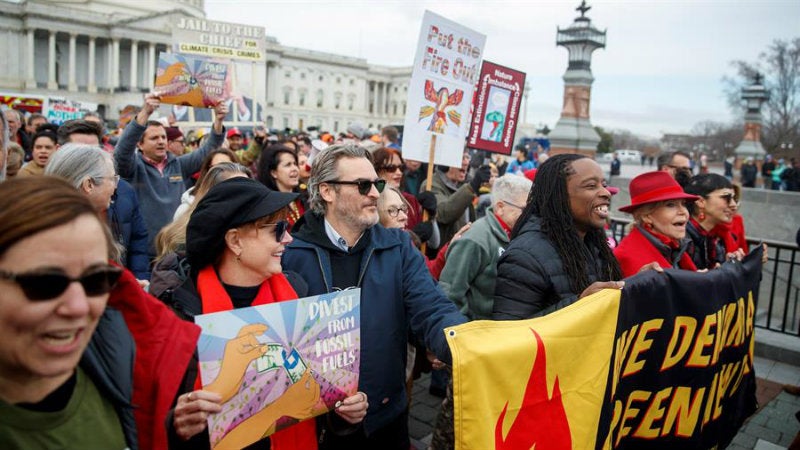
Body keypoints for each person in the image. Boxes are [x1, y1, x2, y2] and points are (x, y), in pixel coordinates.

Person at [281, 144, 467, 449]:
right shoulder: (291, 255)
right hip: (316, 423)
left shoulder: (398, 247)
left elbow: (431, 307)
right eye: (363, 185)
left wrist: (462, 345)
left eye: (377, 184)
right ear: (327, 191)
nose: (376, 193)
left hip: (385, 415)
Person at [165, 177, 367, 449]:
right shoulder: (179, 318)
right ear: (235, 240)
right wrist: (177, 426)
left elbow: (317, 403)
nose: (288, 237)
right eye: (278, 228)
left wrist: (344, 416)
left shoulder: (298, 295)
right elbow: (149, 423)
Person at [0, 177, 200, 450]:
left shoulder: (116, 364)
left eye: (96, 281)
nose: (79, 306)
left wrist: (167, 430)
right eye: (45, 283)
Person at [493, 154, 624, 319]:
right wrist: (579, 305)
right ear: (559, 196)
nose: (606, 193)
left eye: (603, 185)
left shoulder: (594, 243)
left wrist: (639, 284)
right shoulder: (524, 257)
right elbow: (509, 332)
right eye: (591, 186)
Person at [114, 92, 226, 257]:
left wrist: (219, 120)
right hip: (145, 253)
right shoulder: (132, 168)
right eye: (154, 138)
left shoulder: (178, 165)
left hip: (176, 251)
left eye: (163, 137)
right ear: (140, 144)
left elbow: (208, 150)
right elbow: (122, 151)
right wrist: (145, 112)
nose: (160, 141)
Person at [45, 143, 150, 282]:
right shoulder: (74, 235)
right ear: (89, 185)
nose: (116, 187)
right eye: (112, 179)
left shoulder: (47, 222)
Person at [151, 162, 251, 300]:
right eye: (237, 190)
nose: (248, 196)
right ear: (213, 194)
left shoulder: (254, 232)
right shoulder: (181, 238)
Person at [613, 171, 701, 277]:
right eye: (670, 205)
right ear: (646, 216)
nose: (683, 212)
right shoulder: (626, 256)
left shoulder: (672, 245)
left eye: (683, 204)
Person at [427, 151, 492, 253]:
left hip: (462, 249)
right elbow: (444, 213)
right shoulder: (431, 184)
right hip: (442, 253)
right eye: (461, 158)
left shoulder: (463, 184)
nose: (466, 163)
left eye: (467, 157)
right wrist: (472, 187)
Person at [372, 147, 439, 245]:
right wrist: (412, 238)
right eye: (391, 168)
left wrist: (432, 217)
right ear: (376, 170)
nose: (399, 173)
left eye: (401, 168)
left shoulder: (410, 201)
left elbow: (434, 244)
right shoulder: (369, 203)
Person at [683, 173, 746, 270]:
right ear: (701, 202)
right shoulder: (681, 239)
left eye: (735, 199)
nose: (734, 205)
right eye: (727, 198)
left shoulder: (717, 239)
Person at [175, 147, 240, 219]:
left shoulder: (246, 201)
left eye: (227, 167)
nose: (220, 173)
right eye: (215, 168)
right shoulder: (187, 207)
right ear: (207, 171)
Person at [256, 144, 306, 225]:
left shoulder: (305, 197)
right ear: (273, 173)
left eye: (295, 164)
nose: (295, 169)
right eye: (288, 165)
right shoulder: (268, 209)